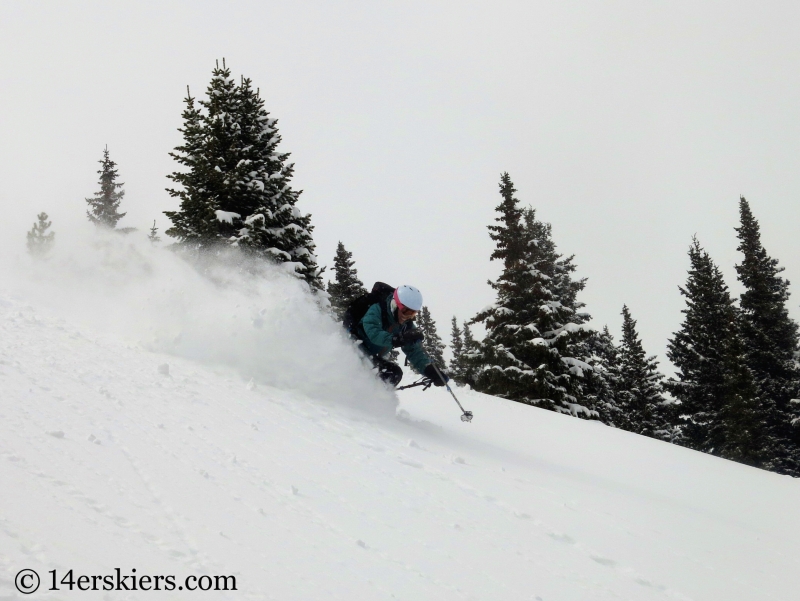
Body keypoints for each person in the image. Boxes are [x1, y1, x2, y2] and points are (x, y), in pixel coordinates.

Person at [350, 284, 449, 388]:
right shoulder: (378, 309)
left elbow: (414, 351)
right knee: (390, 372)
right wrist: (396, 339)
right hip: (355, 347)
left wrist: (430, 371)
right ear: (395, 304)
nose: (408, 316)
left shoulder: (407, 325)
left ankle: (372, 398)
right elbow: (373, 332)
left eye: (413, 313)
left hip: (371, 356)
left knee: (393, 374)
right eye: (406, 311)